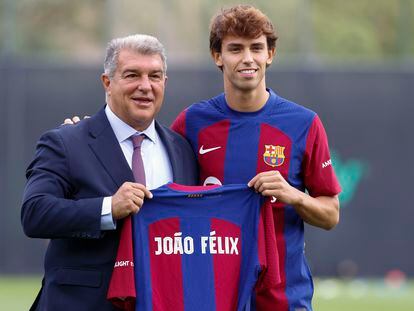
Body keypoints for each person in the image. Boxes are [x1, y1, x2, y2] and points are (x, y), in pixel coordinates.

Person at [171, 5, 341, 310]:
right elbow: (150, 175)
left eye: (256, 48)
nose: (247, 58)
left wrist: (294, 196)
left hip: (284, 297)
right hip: (211, 293)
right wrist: (84, 134)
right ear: (217, 56)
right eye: (235, 48)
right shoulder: (192, 123)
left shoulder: (304, 123)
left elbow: (330, 214)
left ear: (270, 54)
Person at [21, 34, 198, 311]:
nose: (145, 86)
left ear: (165, 82)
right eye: (132, 75)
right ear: (107, 82)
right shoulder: (66, 142)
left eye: (155, 76)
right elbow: (34, 213)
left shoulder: (182, 150)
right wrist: (108, 208)